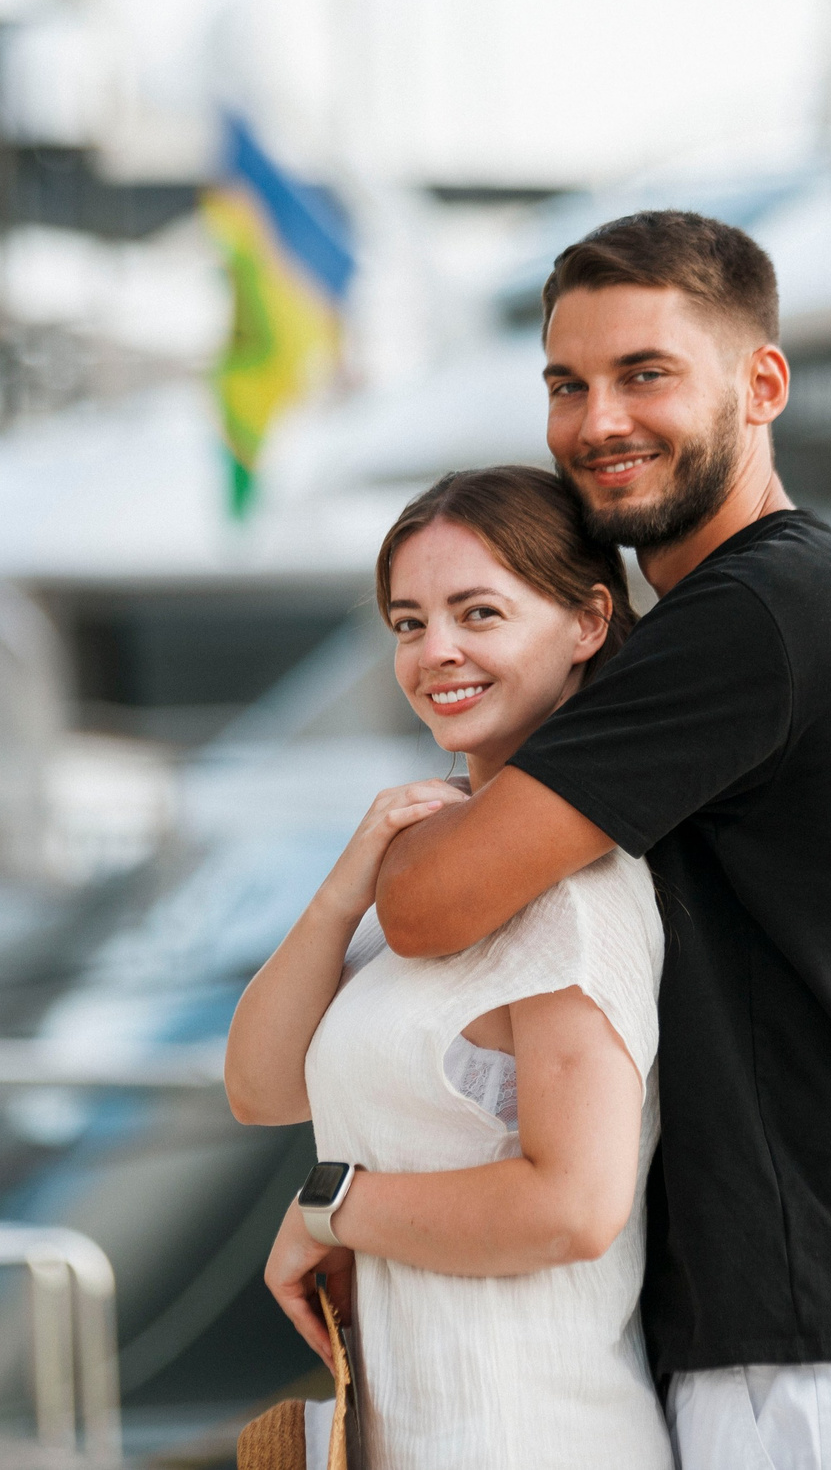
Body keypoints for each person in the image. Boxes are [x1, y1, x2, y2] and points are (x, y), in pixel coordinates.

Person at [368, 210, 831, 1469]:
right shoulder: (786, 603)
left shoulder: (753, 617)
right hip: (822, 1340)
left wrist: (343, 1203)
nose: (597, 420)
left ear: (760, 383)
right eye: (567, 383)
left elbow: (429, 903)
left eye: (645, 374)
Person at [224, 466, 673, 1470]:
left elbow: (574, 1206)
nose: (437, 653)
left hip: (533, 1437)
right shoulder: (431, 883)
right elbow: (258, 1089)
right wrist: (348, 889)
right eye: (407, 622)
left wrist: (332, 1207)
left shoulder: (577, 893)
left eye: (479, 613)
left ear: (588, 622)